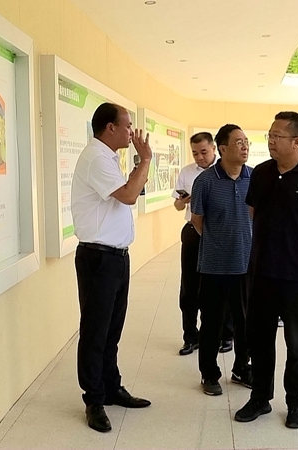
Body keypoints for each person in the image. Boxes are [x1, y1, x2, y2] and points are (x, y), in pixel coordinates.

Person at [235, 111, 298, 429]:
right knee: (259, 339)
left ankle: (296, 402)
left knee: (297, 343)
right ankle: (260, 397)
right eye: (270, 135)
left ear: (297, 142)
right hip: (261, 272)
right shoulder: (261, 173)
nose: (271, 141)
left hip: (296, 276)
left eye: (277, 136)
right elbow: (253, 211)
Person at [71, 102, 152, 433]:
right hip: (98, 258)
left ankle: (110, 387)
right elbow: (130, 196)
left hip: (116, 257)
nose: (132, 131)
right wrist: (145, 159)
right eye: (127, 125)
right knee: (95, 331)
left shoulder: (107, 158)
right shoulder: (95, 158)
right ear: (110, 128)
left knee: (111, 330)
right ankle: (94, 400)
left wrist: (138, 165)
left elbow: (130, 192)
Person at [190, 124, 253, 396]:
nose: (244, 146)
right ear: (223, 148)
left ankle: (241, 368)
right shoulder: (205, 181)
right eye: (238, 142)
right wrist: (219, 242)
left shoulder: (254, 178)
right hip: (215, 265)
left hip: (247, 264)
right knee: (212, 323)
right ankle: (209, 373)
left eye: (246, 141)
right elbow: (197, 220)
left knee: (246, 321)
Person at [172, 132, 234, 356]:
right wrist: (182, 201)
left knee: (222, 284)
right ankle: (190, 336)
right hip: (193, 232)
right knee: (189, 286)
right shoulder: (187, 172)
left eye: (204, 152)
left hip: (219, 234)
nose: (199, 157)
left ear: (214, 149)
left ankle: (226, 335)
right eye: (195, 153)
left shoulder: (226, 171)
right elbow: (177, 206)